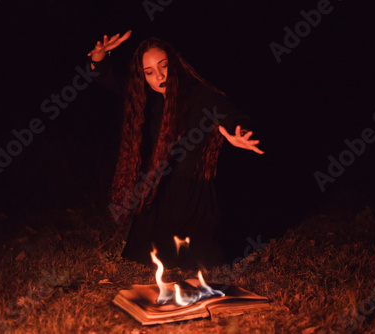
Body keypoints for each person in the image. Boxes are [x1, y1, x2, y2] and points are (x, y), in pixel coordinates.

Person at [87, 30, 264, 268]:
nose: (159, 76)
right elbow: (106, 77)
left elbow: (231, 114)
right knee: (145, 258)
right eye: (149, 72)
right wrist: (98, 57)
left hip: (195, 200)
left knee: (200, 262)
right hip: (159, 197)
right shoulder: (146, 97)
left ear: (176, 64)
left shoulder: (199, 94)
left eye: (164, 66)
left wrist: (239, 131)